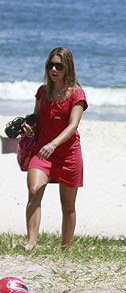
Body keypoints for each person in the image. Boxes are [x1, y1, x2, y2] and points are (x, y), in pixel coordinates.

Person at [22, 48, 88, 251]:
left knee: (67, 205)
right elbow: (37, 121)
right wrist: (30, 130)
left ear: (68, 67)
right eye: (50, 65)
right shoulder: (43, 92)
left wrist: (53, 144)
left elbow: (72, 125)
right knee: (34, 191)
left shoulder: (77, 93)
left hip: (68, 154)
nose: (54, 69)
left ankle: (65, 247)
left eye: (59, 66)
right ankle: (31, 242)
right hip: (43, 151)